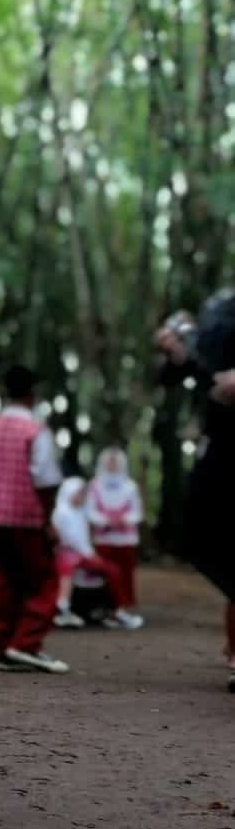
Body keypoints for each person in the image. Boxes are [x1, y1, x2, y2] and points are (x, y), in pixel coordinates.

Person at [156, 288, 235, 692]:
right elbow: (179, 373)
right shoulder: (219, 308)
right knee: (195, 529)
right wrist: (178, 354)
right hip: (223, 441)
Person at [0, 365, 68, 673]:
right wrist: (48, 519)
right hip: (28, 520)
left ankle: (4, 645)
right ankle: (26, 644)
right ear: (32, 396)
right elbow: (46, 480)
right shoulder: (36, 431)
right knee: (44, 582)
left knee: (5, 582)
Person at [52, 477, 144, 630]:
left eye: (83, 494)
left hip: (81, 555)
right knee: (111, 570)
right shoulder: (62, 512)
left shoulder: (79, 512)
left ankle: (109, 610)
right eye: (79, 494)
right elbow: (71, 539)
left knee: (109, 571)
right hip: (73, 555)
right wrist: (90, 555)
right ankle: (116, 611)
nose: (82, 497)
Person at [87, 447, 145, 616]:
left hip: (126, 538)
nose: (112, 465)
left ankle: (125, 602)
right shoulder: (94, 485)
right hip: (103, 538)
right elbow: (90, 510)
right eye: (109, 462)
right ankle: (105, 603)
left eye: (115, 462)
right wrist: (106, 521)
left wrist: (124, 520)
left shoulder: (130, 486)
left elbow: (137, 511)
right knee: (103, 571)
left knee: (126, 571)